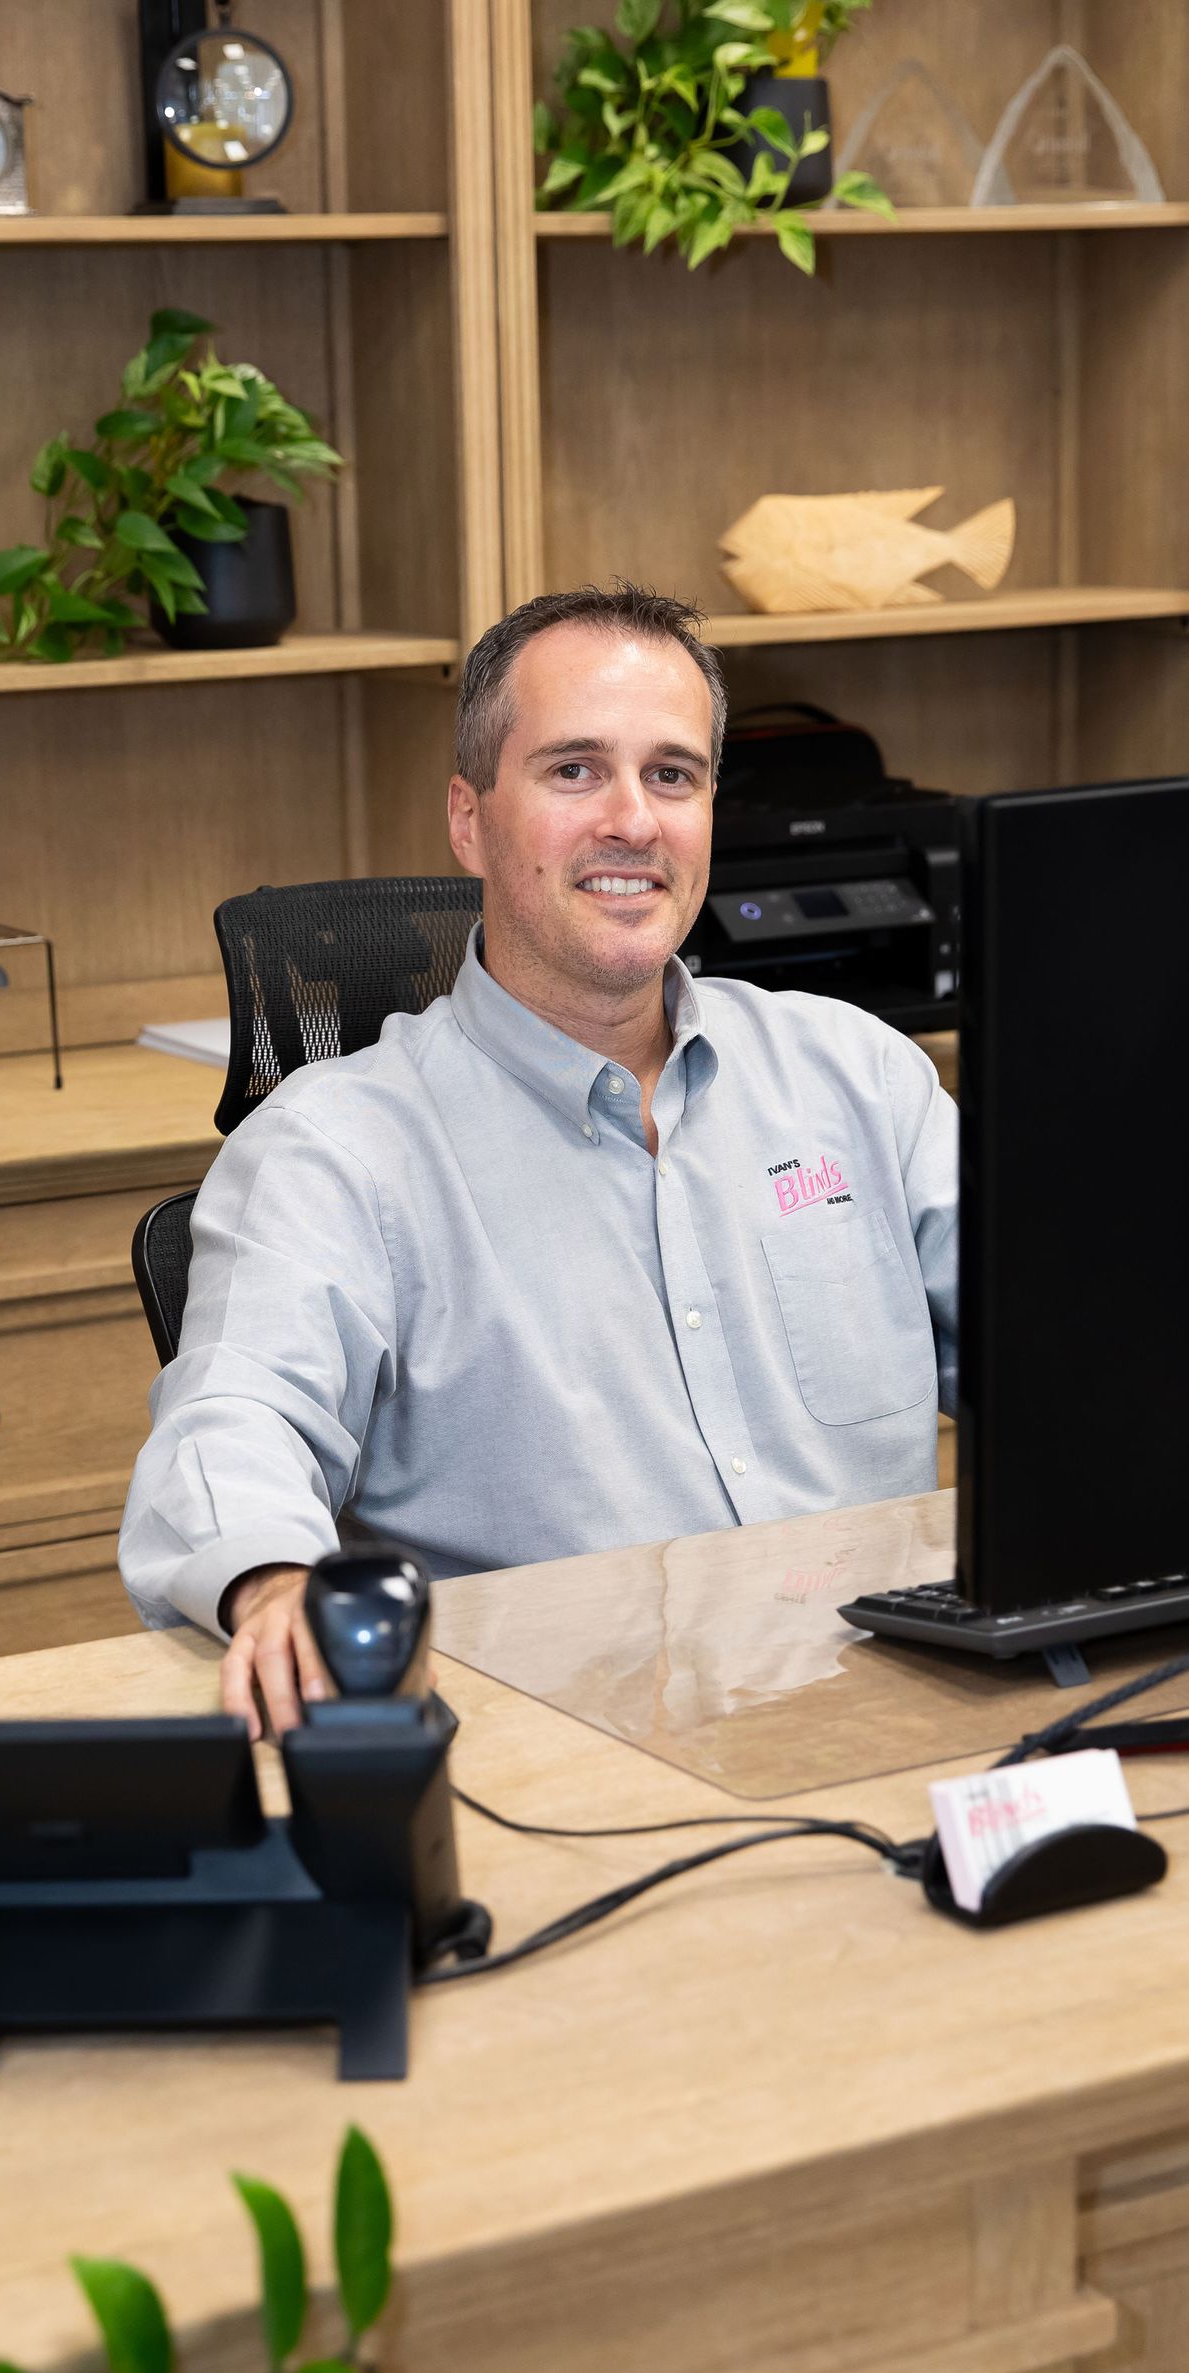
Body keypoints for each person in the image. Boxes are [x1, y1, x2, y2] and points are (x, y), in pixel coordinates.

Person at [119, 581, 958, 1738]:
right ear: (469, 818)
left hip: (902, 1712)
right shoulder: (338, 1151)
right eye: (574, 771)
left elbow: (1064, 1366)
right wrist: (273, 1583)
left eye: (673, 775)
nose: (633, 820)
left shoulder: (864, 1080)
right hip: (566, 1752)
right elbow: (235, 1421)